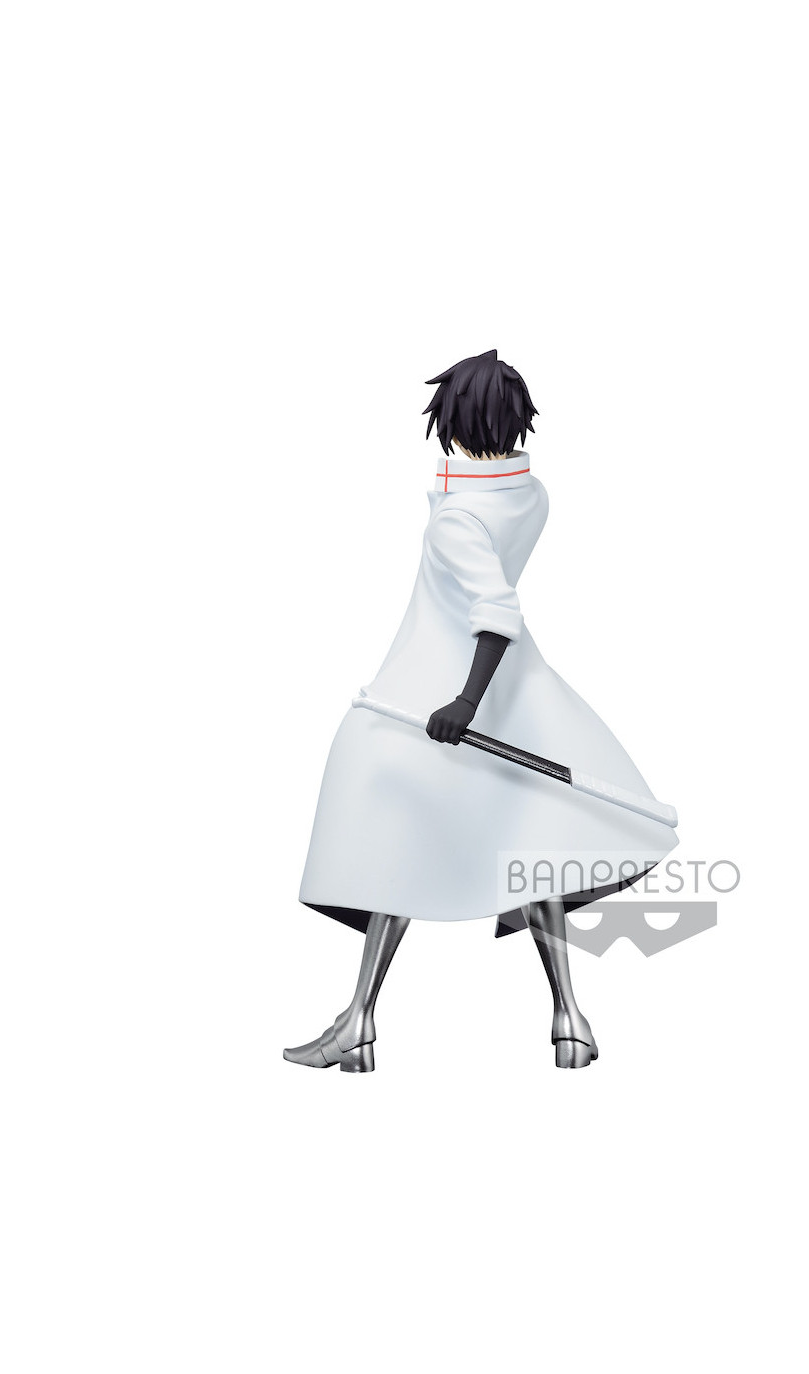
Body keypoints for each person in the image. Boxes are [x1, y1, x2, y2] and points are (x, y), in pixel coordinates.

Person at [285, 350, 678, 1072]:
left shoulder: (458, 517)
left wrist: (464, 702)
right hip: (520, 694)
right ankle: (570, 1020)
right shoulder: (530, 493)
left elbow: (496, 611)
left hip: (440, 696)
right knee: (537, 846)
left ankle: (358, 1020)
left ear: (456, 421)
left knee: (392, 837)